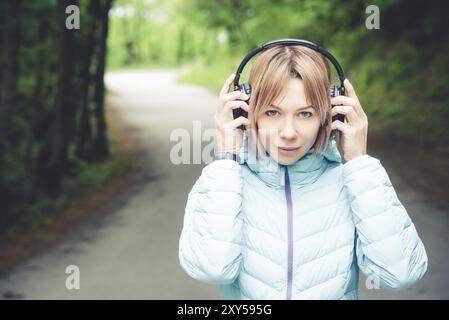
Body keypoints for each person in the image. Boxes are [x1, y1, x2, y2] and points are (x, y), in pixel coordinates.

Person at [178, 44, 428, 299]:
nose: (288, 132)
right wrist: (227, 158)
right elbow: (212, 269)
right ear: (246, 110)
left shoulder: (353, 182)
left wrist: (359, 161)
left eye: (305, 114)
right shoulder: (224, 181)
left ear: (329, 115)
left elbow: (400, 274)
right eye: (272, 112)